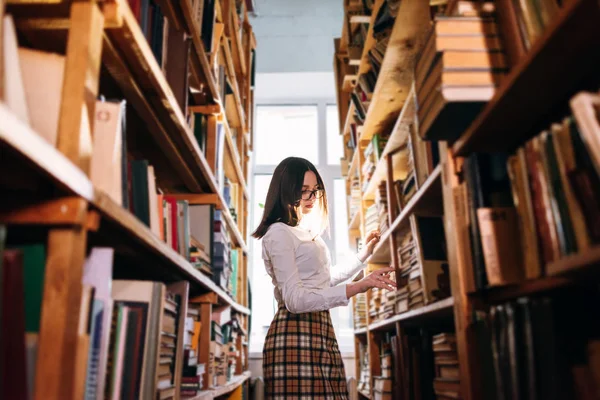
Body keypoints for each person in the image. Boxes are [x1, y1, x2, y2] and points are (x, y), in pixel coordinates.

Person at [252, 157, 396, 399]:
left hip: (320, 330)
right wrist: (359, 286)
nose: (311, 198)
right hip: (294, 335)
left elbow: (322, 282)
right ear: (286, 190)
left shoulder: (303, 231)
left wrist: (364, 255)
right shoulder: (278, 233)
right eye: (304, 191)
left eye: (314, 190)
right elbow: (296, 300)